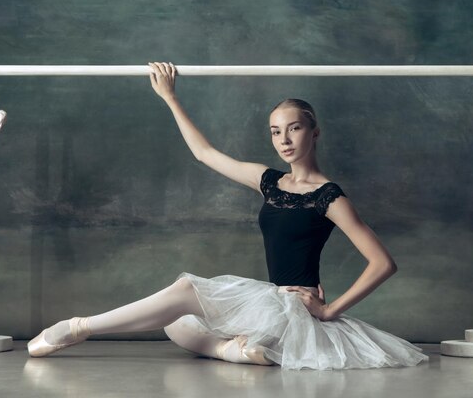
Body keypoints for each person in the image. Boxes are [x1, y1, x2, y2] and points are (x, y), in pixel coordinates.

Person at [27, 62, 428, 370]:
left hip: (295, 308)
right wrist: (170, 97)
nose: (284, 140)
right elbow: (205, 154)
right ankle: (239, 351)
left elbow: (382, 263)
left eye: (294, 129)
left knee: (185, 293)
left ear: (314, 132)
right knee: (176, 322)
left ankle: (79, 327)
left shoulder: (328, 196)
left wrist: (328, 310)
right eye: (275, 131)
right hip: (270, 302)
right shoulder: (270, 181)